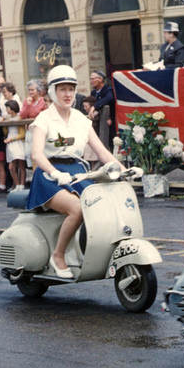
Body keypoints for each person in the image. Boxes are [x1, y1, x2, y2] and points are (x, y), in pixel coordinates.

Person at [26, 65, 120, 278]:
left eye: (71, 88)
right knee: (78, 208)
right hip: (49, 176)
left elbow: (102, 152)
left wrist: (124, 169)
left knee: (102, 204)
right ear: (53, 91)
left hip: (78, 173)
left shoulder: (80, 119)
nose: (68, 94)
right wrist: (54, 172)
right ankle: (58, 255)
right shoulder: (44, 119)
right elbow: (37, 155)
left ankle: (88, 252)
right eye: (62, 89)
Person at [4, 100, 27, 190]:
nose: (6, 109)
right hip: (10, 142)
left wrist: (12, 139)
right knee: (11, 166)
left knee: (21, 164)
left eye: (7, 108)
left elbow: (22, 134)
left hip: (18, 141)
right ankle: (16, 184)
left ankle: (22, 184)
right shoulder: (7, 118)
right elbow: (6, 131)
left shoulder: (19, 118)